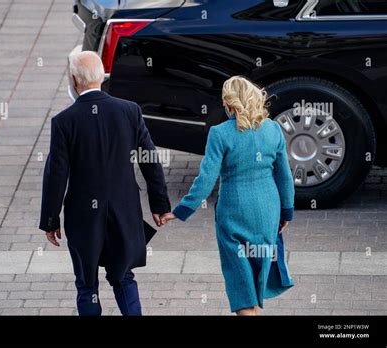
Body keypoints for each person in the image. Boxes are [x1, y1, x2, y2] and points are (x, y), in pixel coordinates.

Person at [40, 51, 171, 316]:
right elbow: (150, 160)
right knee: (123, 276)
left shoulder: (64, 122)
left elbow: (56, 174)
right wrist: (160, 205)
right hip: (124, 210)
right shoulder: (129, 111)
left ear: (75, 80)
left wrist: (51, 219)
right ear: (101, 76)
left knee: (86, 284)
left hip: (83, 216)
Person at [162, 76, 295, 316]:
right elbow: (285, 177)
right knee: (256, 282)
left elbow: (205, 180)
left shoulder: (220, 133)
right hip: (268, 211)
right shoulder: (273, 129)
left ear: (228, 103)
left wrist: (181, 210)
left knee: (241, 286)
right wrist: (286, 212)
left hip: (234, 213)